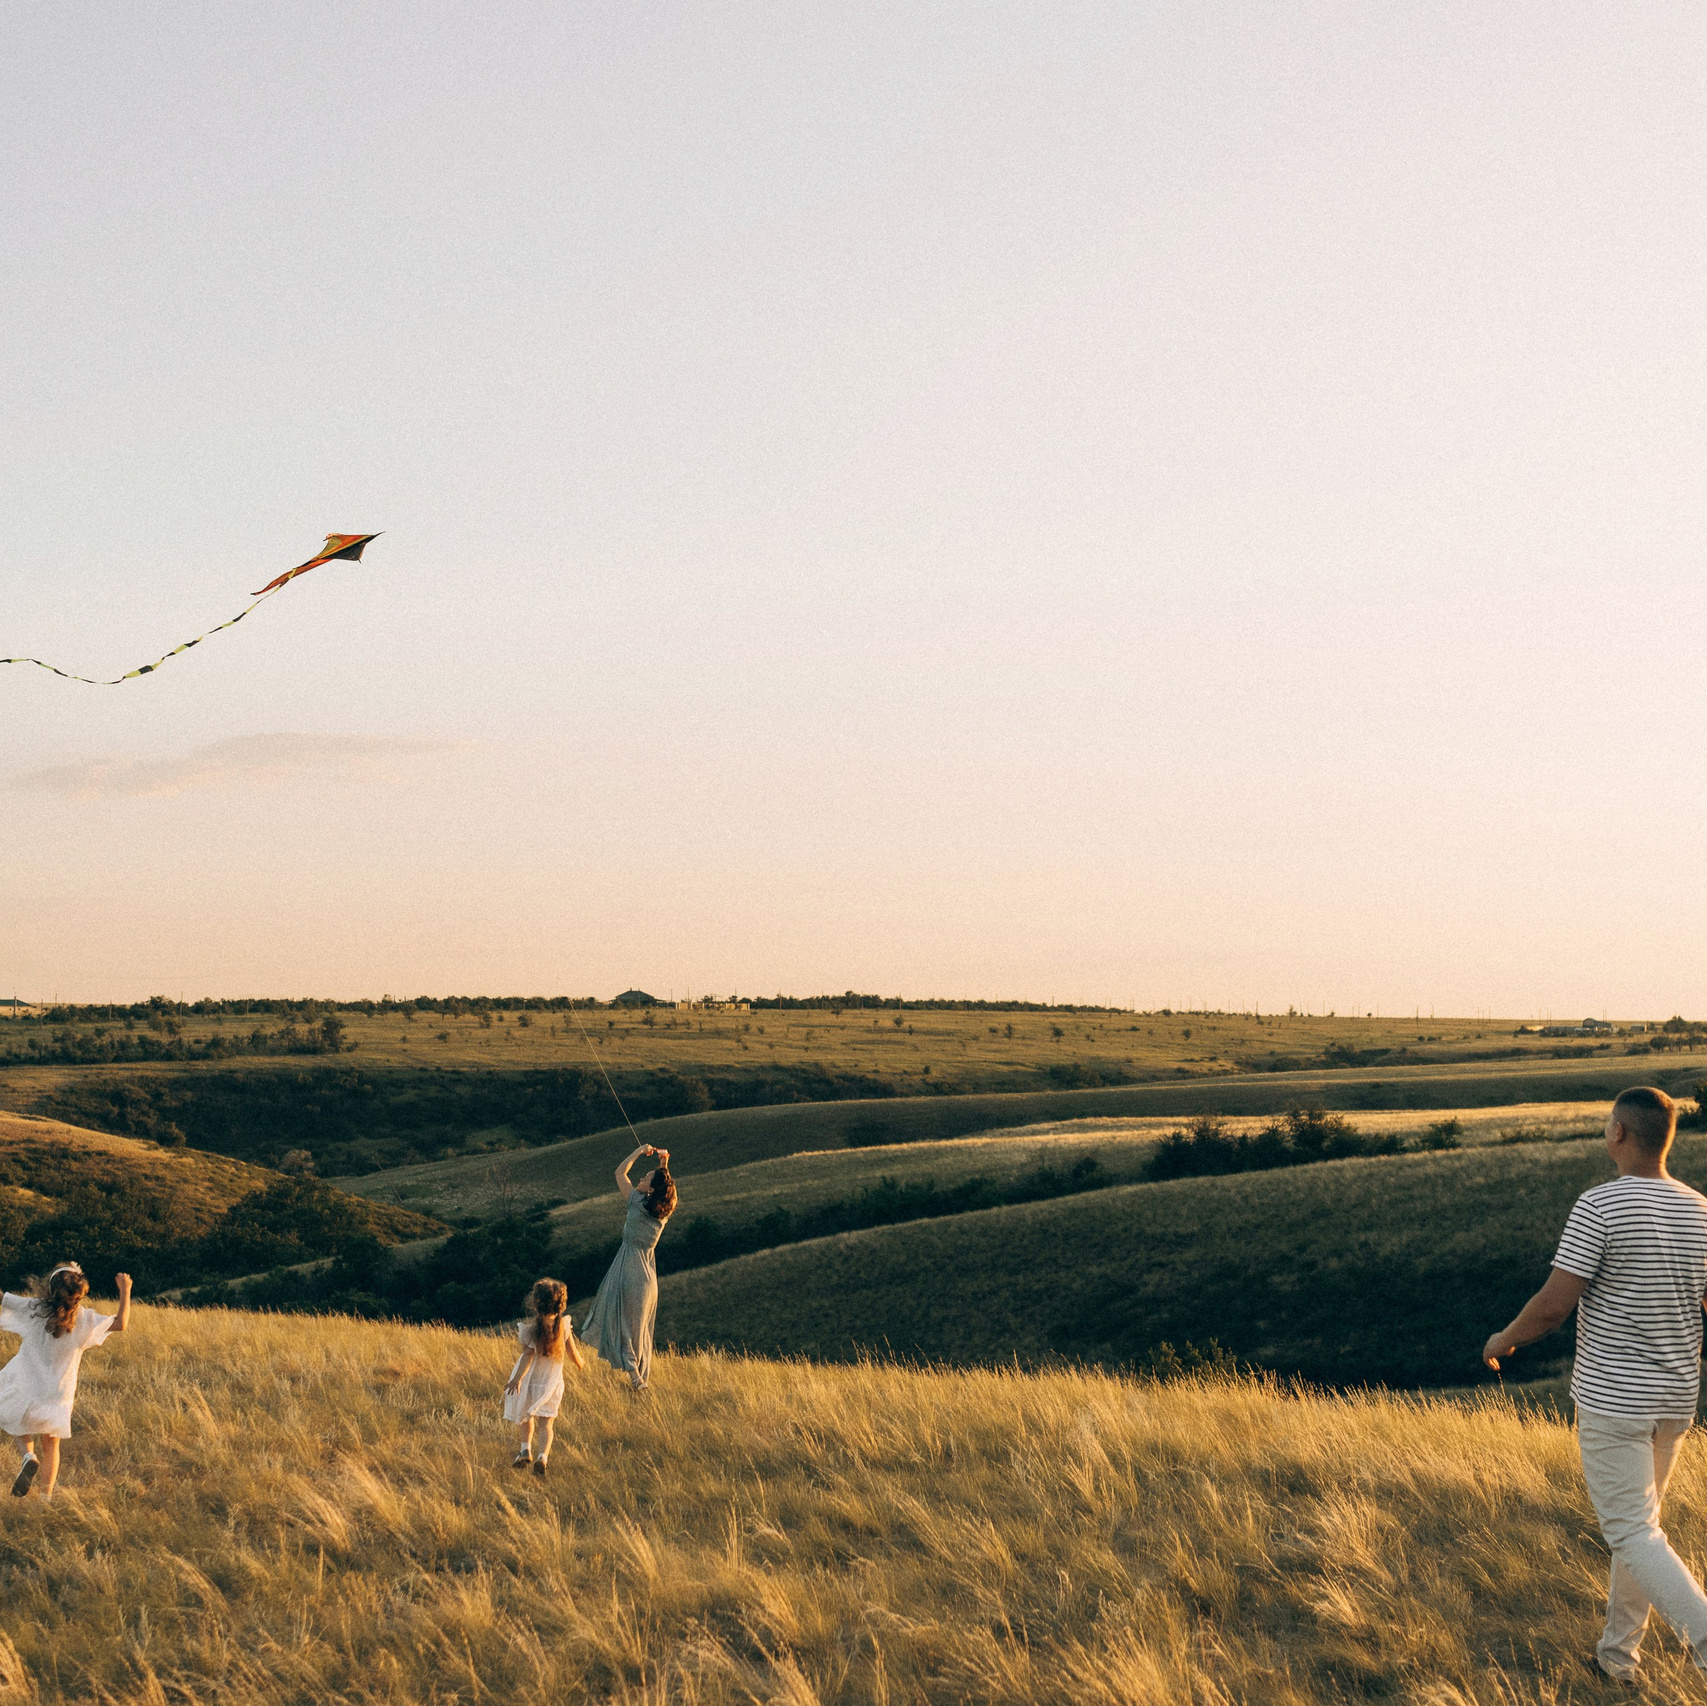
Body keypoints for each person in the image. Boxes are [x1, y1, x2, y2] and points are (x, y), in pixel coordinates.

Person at [1482, 1086, 1707, 1684]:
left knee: (1632, 1531)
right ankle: (1617, 1660)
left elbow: (1554, 1305)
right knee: (1642, 1532)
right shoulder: (1700, 1209)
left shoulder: (1600, 1205)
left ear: (1619, 1133)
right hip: (1676, 1400)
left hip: (1615, 1402)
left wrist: (1503, 1339)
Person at [0, 1263, 131, 1500]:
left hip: (28, 1384)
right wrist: (125, 1290)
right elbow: (121, 1324)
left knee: (12, 1415)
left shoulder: (35, 1308)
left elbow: (2, 1299)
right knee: (51, 1443)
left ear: (51, 1288)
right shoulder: (86, 1319)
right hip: (59, 1392)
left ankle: (28, 1456)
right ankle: (45, 1499)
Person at [574, 1143, 676, 1391]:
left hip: (628, 1267)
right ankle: (639, 1378)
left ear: (650, 1189)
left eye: (645, 1178)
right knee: (640, 1330)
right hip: (648, 1276)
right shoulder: (664, 1211)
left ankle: (635, 1377)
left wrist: (639, 1152)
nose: (640, 1179)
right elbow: (666, 1187)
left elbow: (620, 1172)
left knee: (620, 1323)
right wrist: (663, 1165)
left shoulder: (636, 1202)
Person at [503, 1277, 583, 1476]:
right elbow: (572, 1352)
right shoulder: (564, 1326)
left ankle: (525, 1450)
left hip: (530, 1381)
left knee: (525, 1416)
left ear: (536, 1303)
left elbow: (527, 1356)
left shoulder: (531, 1330)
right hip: (550, 1383)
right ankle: (542, 1457)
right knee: (546, 1423)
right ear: (561, 1304)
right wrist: (580, 1363)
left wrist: (517, 1379)